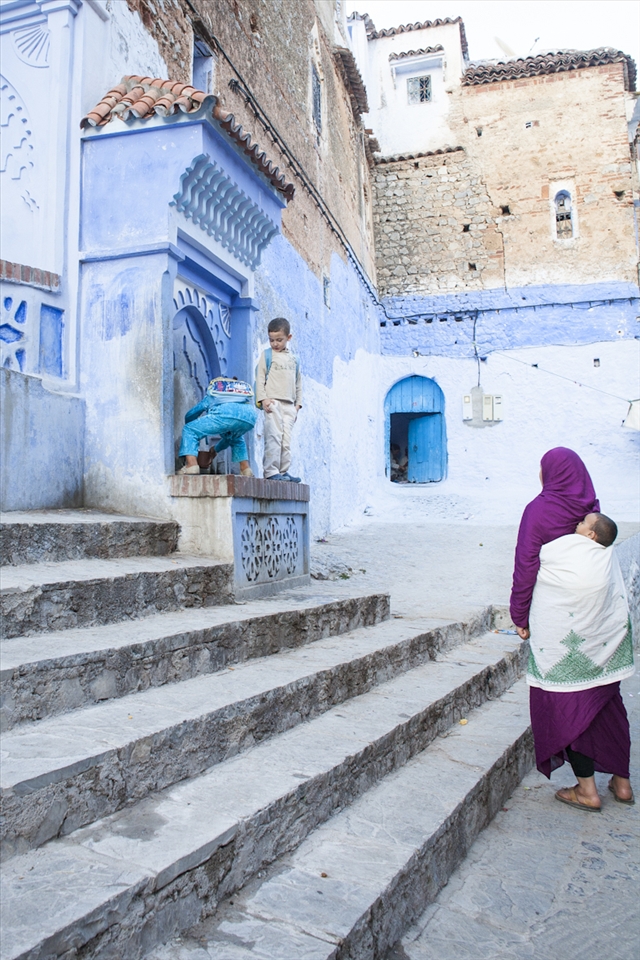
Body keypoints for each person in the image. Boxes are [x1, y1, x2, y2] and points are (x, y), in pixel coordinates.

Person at [510, 448, 635, 811]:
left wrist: (519, 614)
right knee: (606, 700)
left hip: (559, 625)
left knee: (568, 700)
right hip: (600, 624)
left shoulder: (538, 511)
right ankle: (622, 784)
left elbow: (525, 566)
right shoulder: (590, 508)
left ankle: (587, 790)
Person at [177, 377, 257, 476]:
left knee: (189, 429)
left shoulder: (215, 392)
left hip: (225, 414)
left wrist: (189, 423)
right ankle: (245, 469)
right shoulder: (238, 393)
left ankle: (191, 465)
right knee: (236, 438)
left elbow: (195, 411)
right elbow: (228, 439)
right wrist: (215, 450)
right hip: (250, 416)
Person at [255, 317, 302, 482]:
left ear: (289, 337)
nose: (275, 343)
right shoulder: (267, 355)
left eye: (279, 340)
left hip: (290, 406)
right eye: (271, 340)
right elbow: (260, 378)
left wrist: (297, 406)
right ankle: (271, 471)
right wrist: (263, 399)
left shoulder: (294, 359)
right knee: (273, 437)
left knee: (286, 441)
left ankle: (283, 472)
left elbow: (298, 383)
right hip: (273, 403)